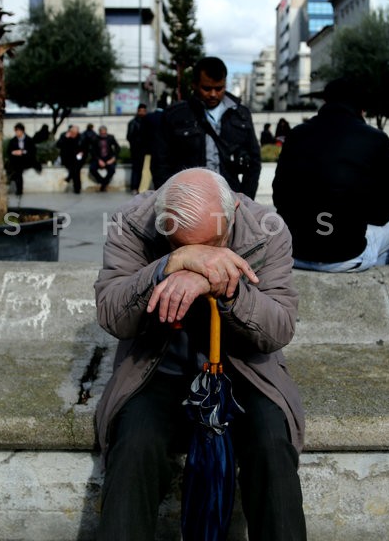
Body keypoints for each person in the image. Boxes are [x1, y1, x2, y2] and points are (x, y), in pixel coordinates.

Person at [94, 168, 306, 541]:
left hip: (243, 369)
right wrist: (167, 266)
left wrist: (224, 287)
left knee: (273, 445)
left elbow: (278, 329)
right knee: (134, 447)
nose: (203, 255)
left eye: (213, 243)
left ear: (234, 211)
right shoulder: (131, 223)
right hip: (157, 367)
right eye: (184, 245)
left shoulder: (267, 229)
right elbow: (112, 313)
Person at [273, 77, 389, 271]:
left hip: (294, 252)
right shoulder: (376, 139)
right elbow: (383, 213)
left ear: (325, 102)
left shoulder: (296, 134)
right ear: (362, 108)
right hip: (346, 256)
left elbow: (280, 198)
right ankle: (379, 283)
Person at [153, 57, 262, 199]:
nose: (213, 94)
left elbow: (254, 161)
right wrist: (170, 201)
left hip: (231, 199)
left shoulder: (241, 115)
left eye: (219, 88)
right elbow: (160, 163)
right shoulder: (174, 116)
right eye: (207, 88)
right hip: (188, 201)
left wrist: (245, 199)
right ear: (194, 85)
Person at [6, 122, 39, 197]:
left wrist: (22, 152)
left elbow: (32, 151)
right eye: (16, 131)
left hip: (27, 160)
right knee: (17, 169)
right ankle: (18, 189)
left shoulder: (29, 140)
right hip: (16, 161)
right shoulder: (13, 140)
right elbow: (9, 151)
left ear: (22, 131)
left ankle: (16, 185)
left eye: (18, 131)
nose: (17, 133)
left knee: (17, 170)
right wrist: (14, 152)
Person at [126, 103, 151, 194]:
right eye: (141, 111)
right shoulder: (133, 122)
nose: (142, 113)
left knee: (145, 170)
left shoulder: (148, 121)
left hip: (146, 151)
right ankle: (134, 187)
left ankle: (142, 188)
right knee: (136, 169)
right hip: (137, 150)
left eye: (144, 111)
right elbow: (129, 137)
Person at [88, 125, 120, 192]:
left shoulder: (111, 137)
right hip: (98, 158)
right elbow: (92, 151)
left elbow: (117, 148)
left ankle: (103, 184)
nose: (103, 134)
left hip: (109, 158)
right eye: (102, 133)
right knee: (92, 169)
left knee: (112, 169)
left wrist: (113, 158)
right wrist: (99, 160)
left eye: (104, 133)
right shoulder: (94, 138)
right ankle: (103, 182)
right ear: (99, 132)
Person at [57, 125, 85, 194]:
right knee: (75, 169)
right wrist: (65, 138)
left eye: (75, 133)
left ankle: (73, 183)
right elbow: (58, 145)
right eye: (73, 133)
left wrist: (82, 152)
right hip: (67, 158)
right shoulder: (64, 136)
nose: (74, 135)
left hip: (77, 157)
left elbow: (85, 147)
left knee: (76, 169)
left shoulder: (81, 137)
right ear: (70, 132)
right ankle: (77, 187)